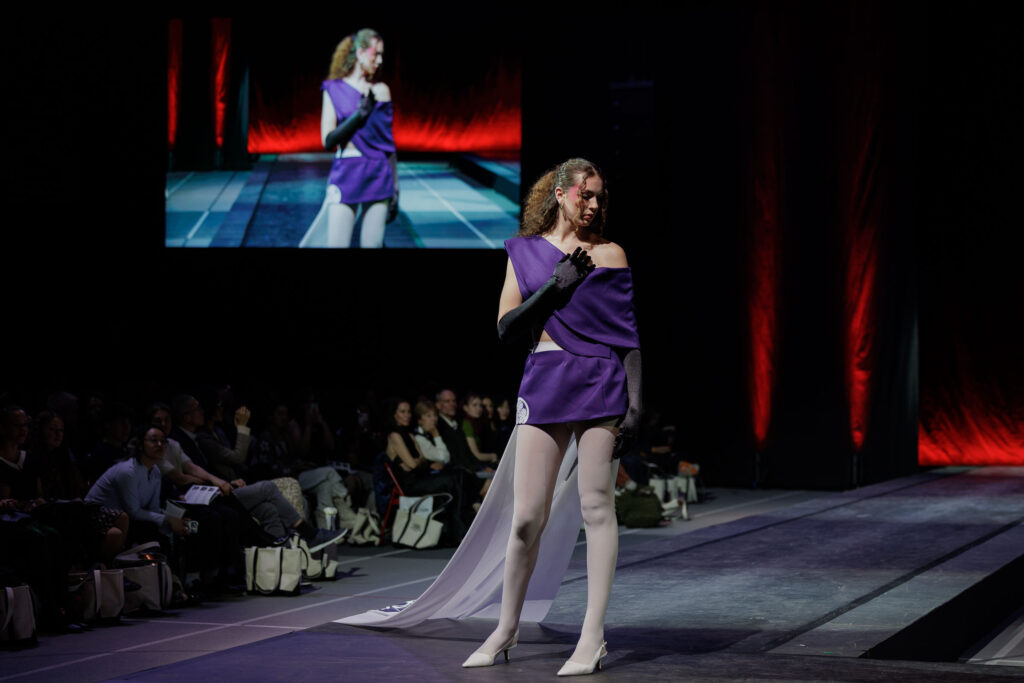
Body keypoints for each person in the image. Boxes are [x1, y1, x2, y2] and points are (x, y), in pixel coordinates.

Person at [339, 158, 642, 678]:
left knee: (596, 509)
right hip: (546, 380)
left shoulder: (611, 254)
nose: (594, 206)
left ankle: (592, 637)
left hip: (599, 381)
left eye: (601, 198)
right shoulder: (523, 252)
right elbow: (506, 328)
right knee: (526, 518)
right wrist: (556, 284)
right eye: (586, 195)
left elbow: (628, 339)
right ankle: (505, 628)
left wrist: (635, 405)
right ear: (562, 193)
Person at [319, 28, 397, 248]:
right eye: (376, 53)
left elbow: (388, 145)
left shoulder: (380, 90)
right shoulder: (333, 88)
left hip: (378, 172)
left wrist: (396, 188)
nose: (380, 60)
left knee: (372, 245)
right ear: (361, 53)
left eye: (382, 55)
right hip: (347, 172)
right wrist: (359, 116)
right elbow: (328, 140)